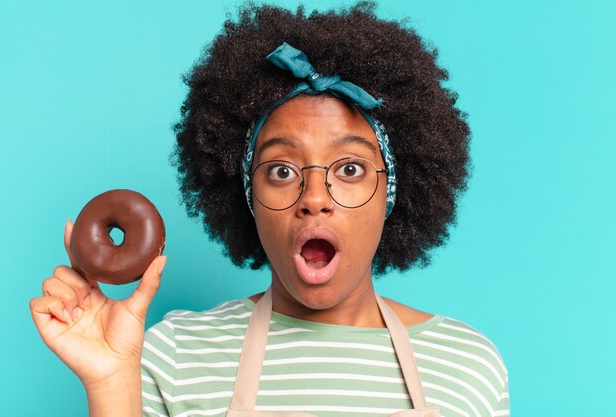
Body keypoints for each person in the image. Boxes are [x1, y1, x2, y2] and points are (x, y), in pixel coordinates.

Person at [29, 2, 509, 417]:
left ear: (392, 194)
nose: (314, 198)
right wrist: (110, 379)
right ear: (246, 195)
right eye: (281, 171)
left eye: (349, 169)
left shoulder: (466, 365)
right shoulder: (174, 355)